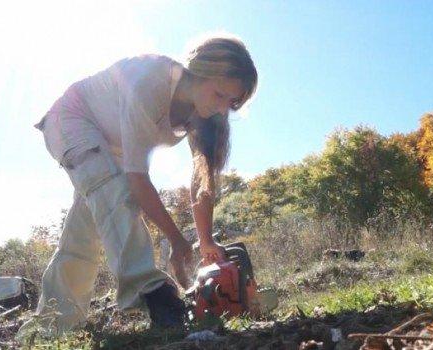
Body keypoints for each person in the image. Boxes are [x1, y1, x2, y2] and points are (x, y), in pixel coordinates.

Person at [17, 35, 258, 336]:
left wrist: (205, 240)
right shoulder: (152, 79)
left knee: (84, 235)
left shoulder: (204, 113)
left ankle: (51, 325)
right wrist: (177, 241)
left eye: (231, 103)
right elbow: (137, 179)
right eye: (220, 94)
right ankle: (153, 292)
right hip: (71, 120)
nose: (223, 109)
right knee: (114, 191)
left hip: (111, 147)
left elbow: (201, 183)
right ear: (199, 71)